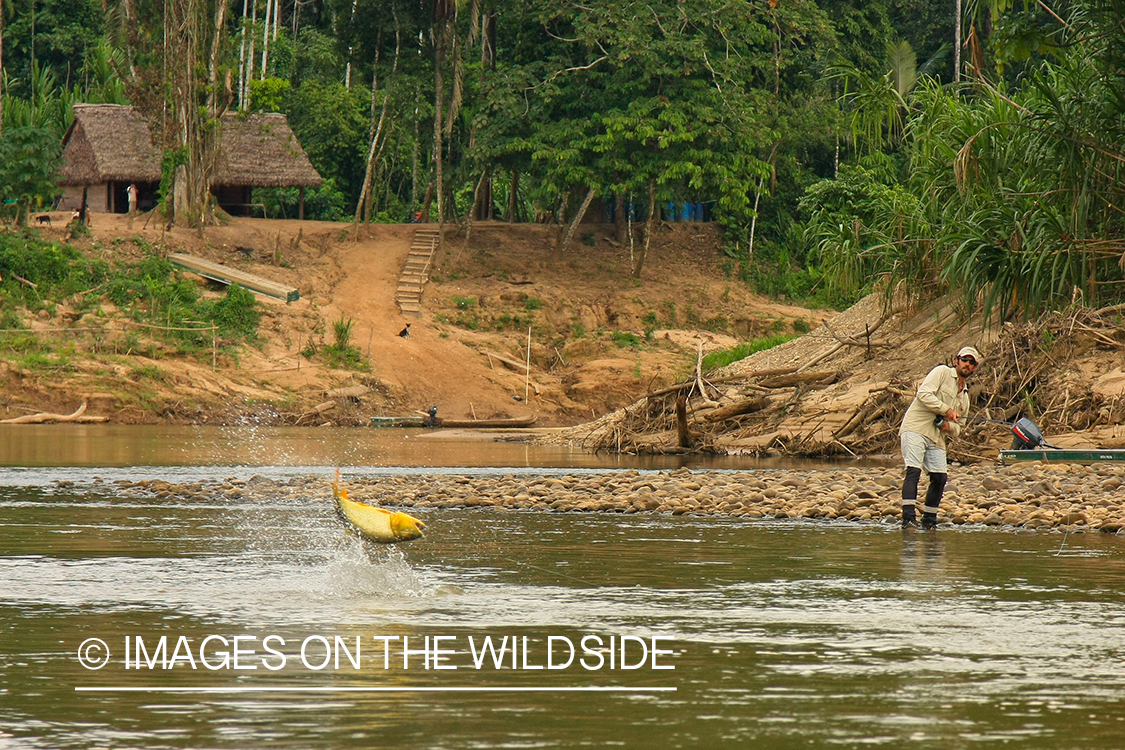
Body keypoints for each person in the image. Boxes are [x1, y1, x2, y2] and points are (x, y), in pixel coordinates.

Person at [899, 345, 982, 530]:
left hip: (936, 436)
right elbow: (923, 394)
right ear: (956, 361)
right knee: (913, 470)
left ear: (975, 368)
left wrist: (946, 426)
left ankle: (929, 520)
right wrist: (946, 410)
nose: (968, 364)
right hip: (916, 427)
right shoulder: (942, 372)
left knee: (940, 477)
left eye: (972, 362)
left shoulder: (965, 397)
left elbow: (959, 428)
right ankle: (908, 519)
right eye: (965, 360)